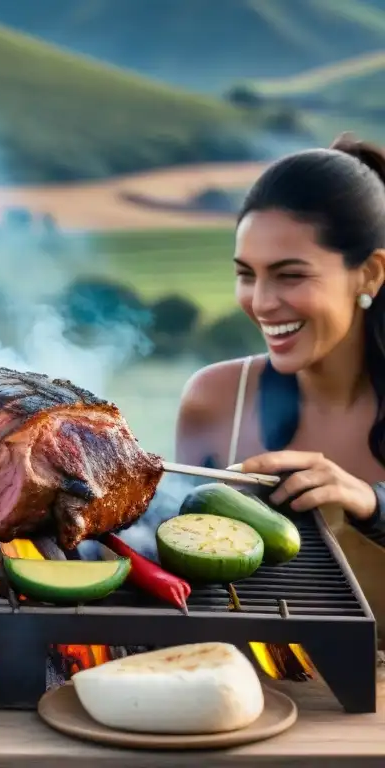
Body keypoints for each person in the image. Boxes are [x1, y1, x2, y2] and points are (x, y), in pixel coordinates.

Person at [176, 133, 385, 648]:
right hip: (248, 706)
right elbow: (185, 585)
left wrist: (371, 502)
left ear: (371, 273)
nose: (262, 302)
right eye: (247, 275)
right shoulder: (213, 398)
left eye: (290, 275)